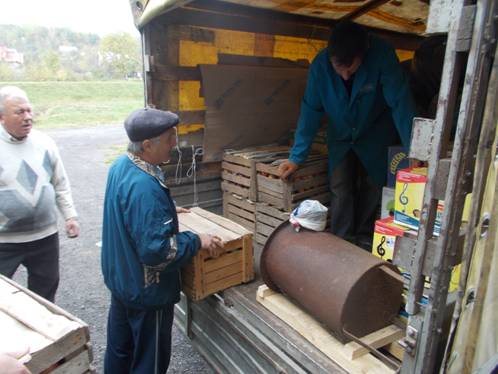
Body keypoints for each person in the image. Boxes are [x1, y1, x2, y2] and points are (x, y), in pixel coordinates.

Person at [101, 108, 224, 373]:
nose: (174, 144)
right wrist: (196, 240)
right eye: (169, 138)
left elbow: (127, 213)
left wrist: (165, 211)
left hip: (122, 283)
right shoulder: (145, 186)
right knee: (150, 363)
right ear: (147, 145)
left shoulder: (121, 165)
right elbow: (158, 252)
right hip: (147, 292)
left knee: (120, 353)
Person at [278, 21, 416, 249]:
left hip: (376, 131)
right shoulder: (320, 66)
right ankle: (342, 240)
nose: (344, 76)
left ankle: (364, 236)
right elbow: (310, 110)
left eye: (350, 70)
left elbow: (400, 101)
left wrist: (414, 148)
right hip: (341, 134)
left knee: (373, 183)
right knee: (340, 186)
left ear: (363, 54)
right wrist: (296, 157)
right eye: (338, 69)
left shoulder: (383, 55)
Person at [0, 86, 79, 302]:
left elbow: (60, 182)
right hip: (5, 241)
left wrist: (70, 216)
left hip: (44, 237)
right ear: (2, 117)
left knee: (45, 292)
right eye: (19, 112)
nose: (27, 118)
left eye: (29, 111)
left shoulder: (44, 143)